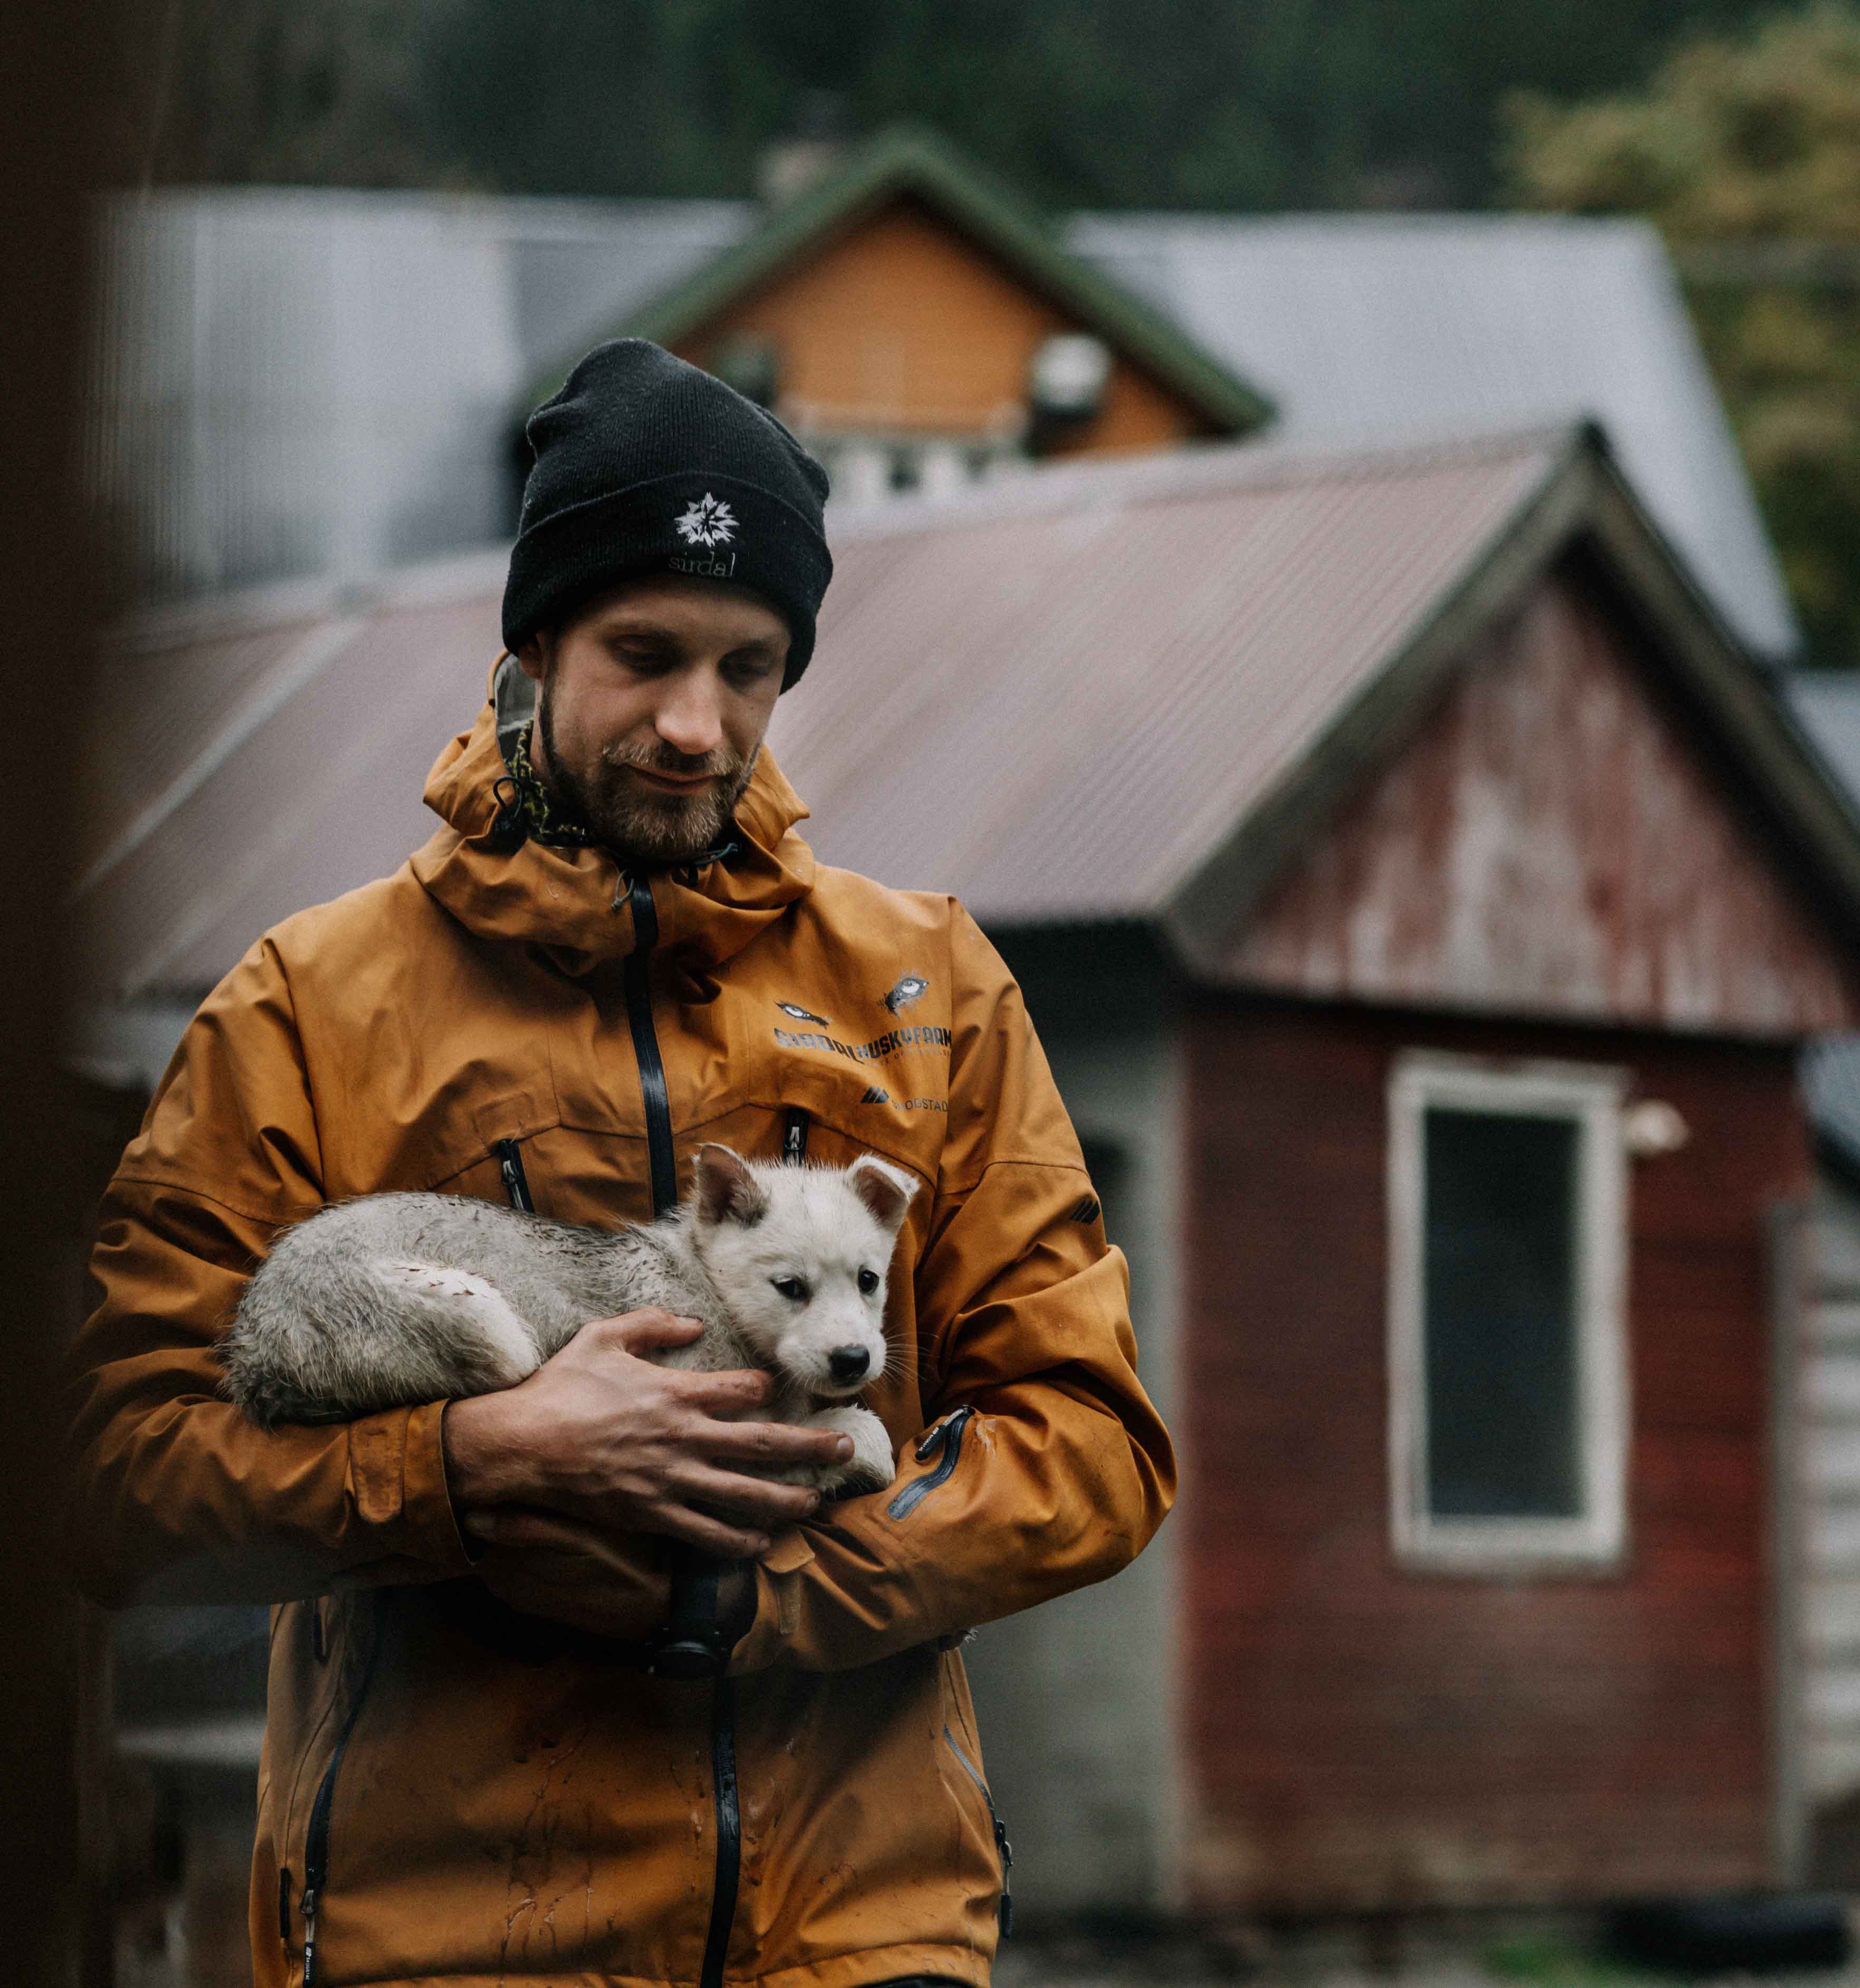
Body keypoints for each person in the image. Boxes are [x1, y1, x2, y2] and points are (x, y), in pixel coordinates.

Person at [68, 340, 1175, 1988]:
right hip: (449, 1940)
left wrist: (744, 1595)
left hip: (860, 1941)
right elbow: (123, 1469)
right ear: (532, 641)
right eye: (641, 653)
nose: (691, 723)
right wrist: (472, 1460)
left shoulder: (928, 986)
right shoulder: (310, 1006)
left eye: (747, 667)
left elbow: (1088, 1445)